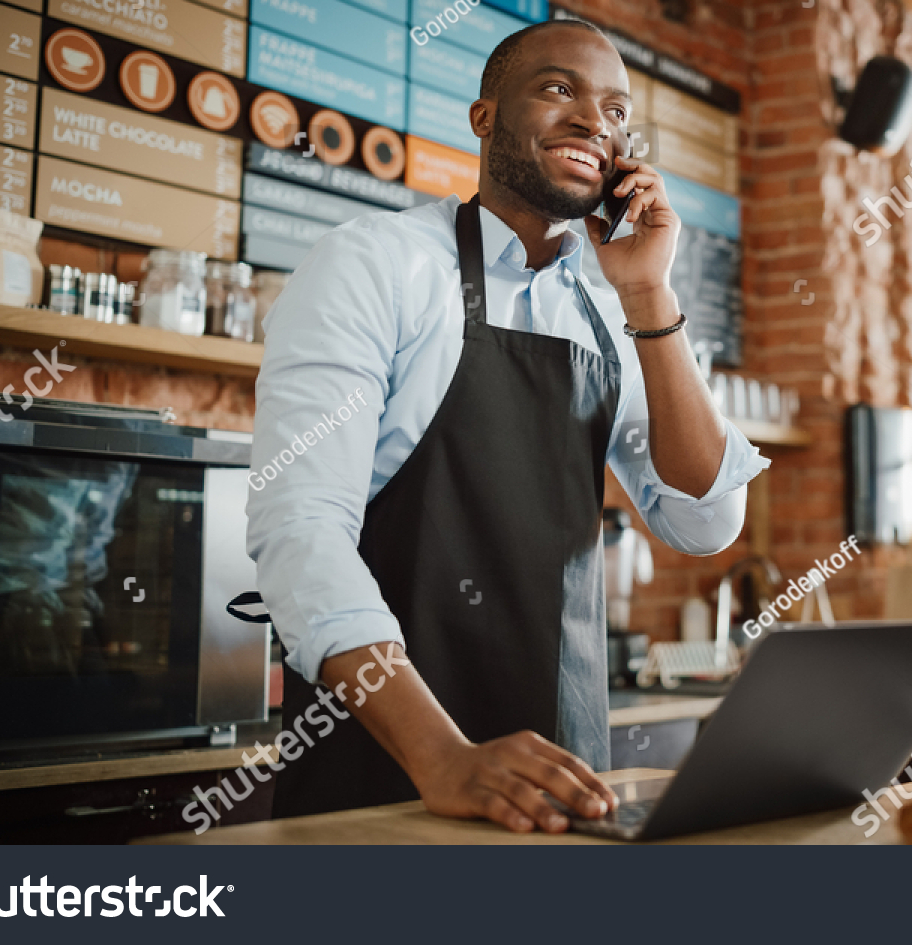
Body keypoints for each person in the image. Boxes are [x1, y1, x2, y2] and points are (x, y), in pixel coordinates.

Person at [246, 17, 767, 833]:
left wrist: (649, 297)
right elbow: (301, 531)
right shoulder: (375, 264)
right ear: (484, 117)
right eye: (559, 89)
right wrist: (444, 756)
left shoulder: (613, 312)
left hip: (567, 781)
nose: (596, 121)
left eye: (618, 111)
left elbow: (707, 519)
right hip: (391, 777)